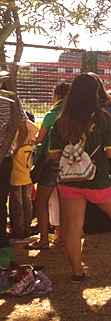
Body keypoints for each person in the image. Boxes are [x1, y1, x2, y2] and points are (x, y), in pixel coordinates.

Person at [48, 73, 111, 281]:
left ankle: (77, 272)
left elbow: (54, 155)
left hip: (68, 180)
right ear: (97, 92)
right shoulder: (103, 118)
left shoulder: (60, 121)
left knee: (73, 227)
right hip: (97, 179)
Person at [27, 82, 70, 249]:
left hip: (50, 161)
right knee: (62, 199)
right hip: (69, 162)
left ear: (57, 95)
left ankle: (44, 239)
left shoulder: (53, 114)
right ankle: (61, 235)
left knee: (41, 200)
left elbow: (40, 138)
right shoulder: (73, 113)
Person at [0, 72, 28, 244]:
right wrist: (13, 148)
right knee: (2, 200)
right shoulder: (12, 100)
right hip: (5, 157)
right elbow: (23, 129)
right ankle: (2, 242)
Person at [9, 114, 38, 240]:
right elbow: (34, 128)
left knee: (17, 205)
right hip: (27, 177)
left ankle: (18, 231)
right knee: (27, 203)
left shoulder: (15, 144)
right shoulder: (31, 143)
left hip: (15, 177)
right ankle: (26, 228)